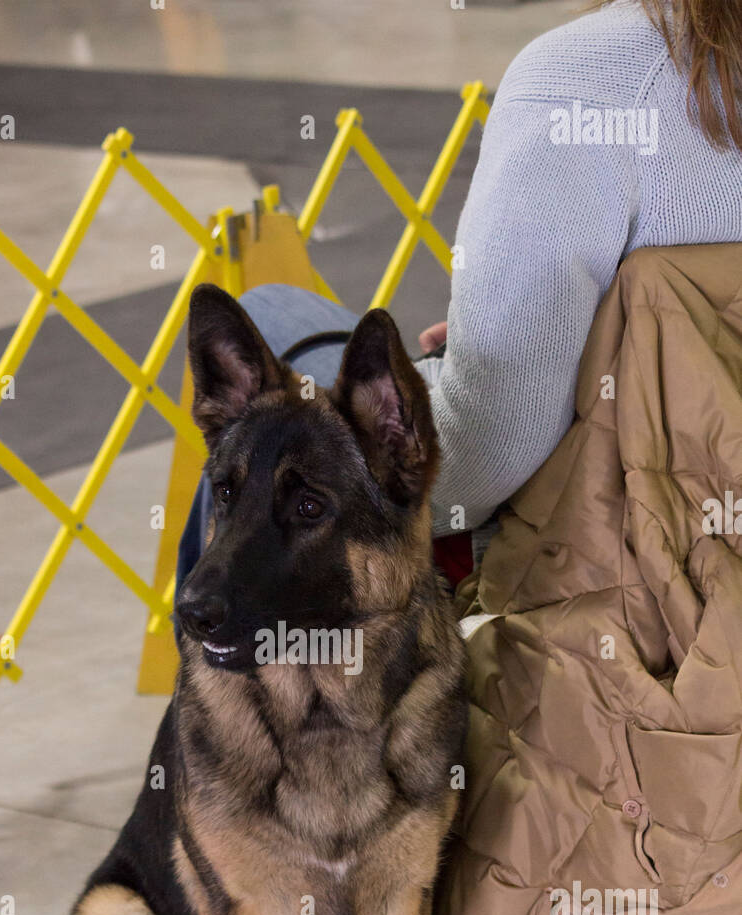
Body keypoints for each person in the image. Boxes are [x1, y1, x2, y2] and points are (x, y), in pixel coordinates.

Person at [177, 0, 742, 594]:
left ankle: (213, 667)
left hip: (619, 552)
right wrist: (580, 340)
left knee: (266, 344)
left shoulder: (588, 78)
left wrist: (503, 357)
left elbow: (480, 461)